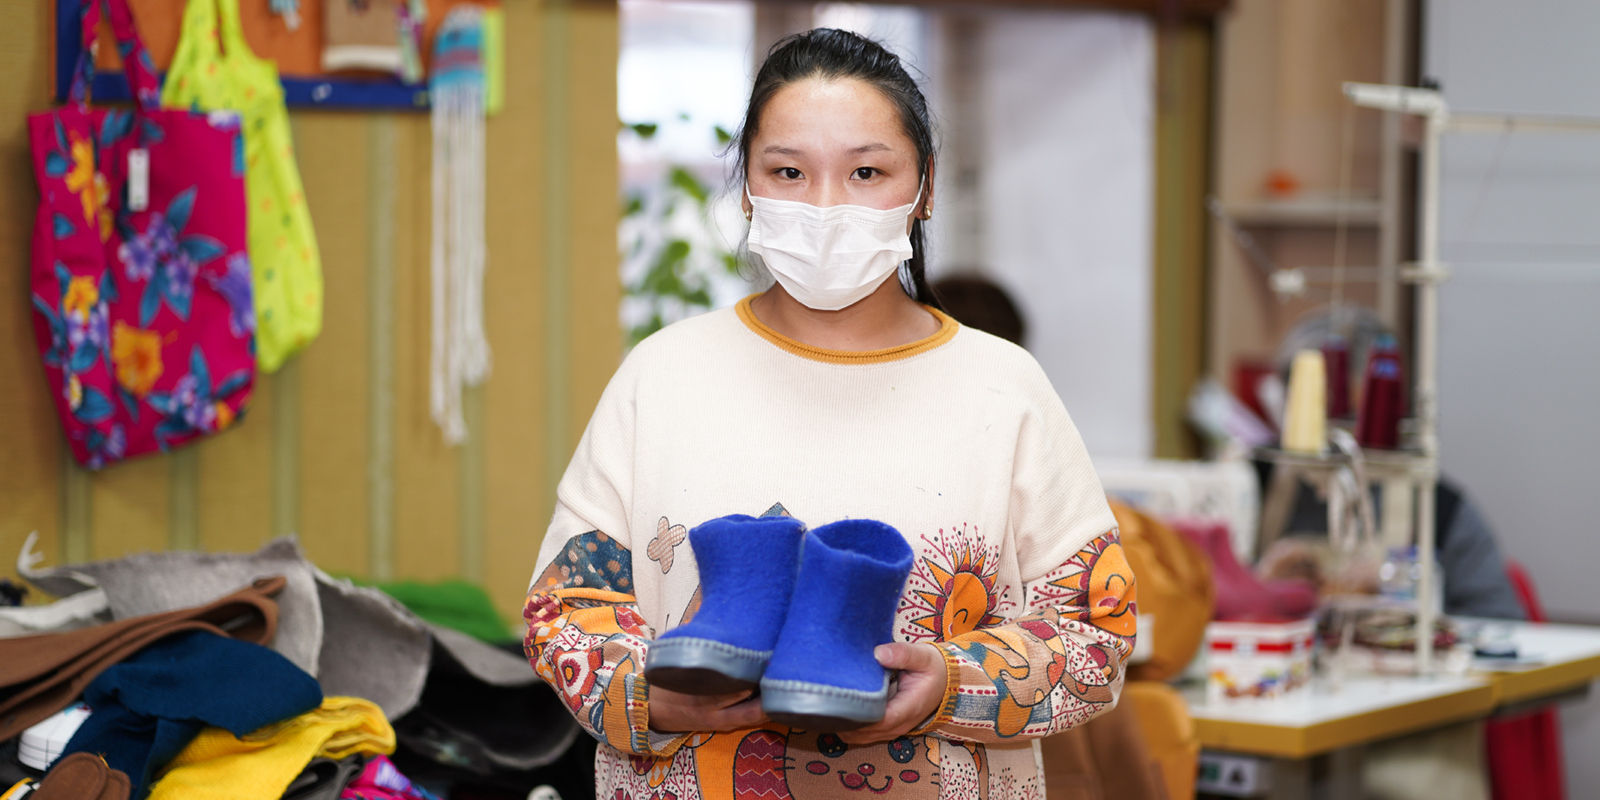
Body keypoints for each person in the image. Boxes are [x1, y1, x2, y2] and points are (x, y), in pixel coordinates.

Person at [523, 28, 1135, 799]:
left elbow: (1097, 631)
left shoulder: (1003, 388)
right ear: (747, 188)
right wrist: (651, 697)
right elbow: (566, 609)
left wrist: (949, 683)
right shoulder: (663, 375)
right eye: (788, 171)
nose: (824, 207)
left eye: (866, 172)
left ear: (925, 188)